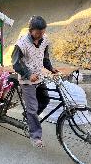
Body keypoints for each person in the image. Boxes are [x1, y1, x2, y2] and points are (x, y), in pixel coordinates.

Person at [11, 16, 58, 148]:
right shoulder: (21, 44)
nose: (40, 35)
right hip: (27, 81)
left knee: (45, 100)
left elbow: (45, 56)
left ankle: (29, 118)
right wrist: (28, 74)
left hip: (39, 78)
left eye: (42, 32)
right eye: (37, 33)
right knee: (32, 108)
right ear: (31, 30)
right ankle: (35, 136)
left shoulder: (44, 40)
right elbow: (15, 63)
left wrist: (50, 68)